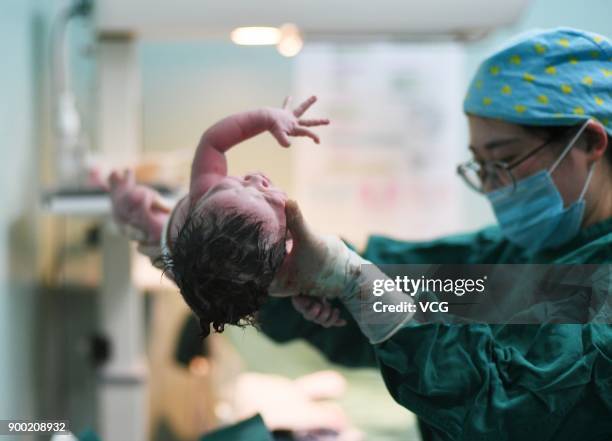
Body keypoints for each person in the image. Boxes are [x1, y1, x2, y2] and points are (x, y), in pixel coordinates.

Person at [113, 27, 612, 440]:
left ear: (589, 142)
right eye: (479, 166)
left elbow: (505, 408)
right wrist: (235, 263)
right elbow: (409, 292)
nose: (491, 187)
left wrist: (357, 282)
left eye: (503, 161)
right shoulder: (518, 256)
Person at [107, 96, 329, 337]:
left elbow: (213, 141)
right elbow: (293, 279)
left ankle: (121, 200)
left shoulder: (206, 193)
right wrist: (305, 297)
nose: (255, 178)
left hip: (165, 241)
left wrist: (267, 119)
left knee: (138, 213)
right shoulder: (278, 269)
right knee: (138, 209)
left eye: (241, 184)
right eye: (265, 193)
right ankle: (122, 200)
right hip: (198, 259)